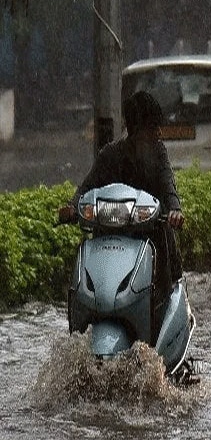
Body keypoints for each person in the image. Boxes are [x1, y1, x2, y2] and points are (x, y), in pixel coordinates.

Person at [59, 90, 185, 293]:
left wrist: (174, 210)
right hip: (110, 235)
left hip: (151, 234)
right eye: (152, 127)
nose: (158, 133)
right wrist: (73, 207)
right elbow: (87, 187)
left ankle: (161, 304)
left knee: (165, 282)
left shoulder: (159, 153)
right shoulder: (109, 155)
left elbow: (168, 185)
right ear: (136, 129)